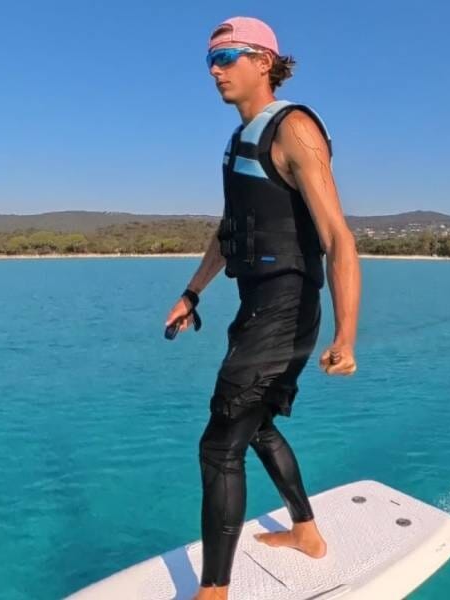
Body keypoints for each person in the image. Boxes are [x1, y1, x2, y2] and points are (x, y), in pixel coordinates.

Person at [163, 15, 361, 600]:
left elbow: (338, 238)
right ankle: (307, 533)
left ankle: (213, 593)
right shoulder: (238, 142)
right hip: (257, 306)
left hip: (287, 306)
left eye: (228, 57)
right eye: (209, 61)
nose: (216, 70)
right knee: (256, 426)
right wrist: (192, 292)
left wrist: (347, 335)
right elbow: (232, 231)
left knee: (218, 444)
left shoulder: (293, 130)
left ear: (264, 62)